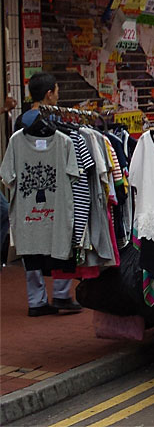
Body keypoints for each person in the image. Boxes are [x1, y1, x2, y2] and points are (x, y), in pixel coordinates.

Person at [10, 72, 81, 317]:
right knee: (59, 243)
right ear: (49, 93)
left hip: (28, 203)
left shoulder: (20, 121)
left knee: (32, 249)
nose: (58, 96)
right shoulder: (57, 121)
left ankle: (36, 301)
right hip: (55, 199)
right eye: (57, 92)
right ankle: (62, 294)